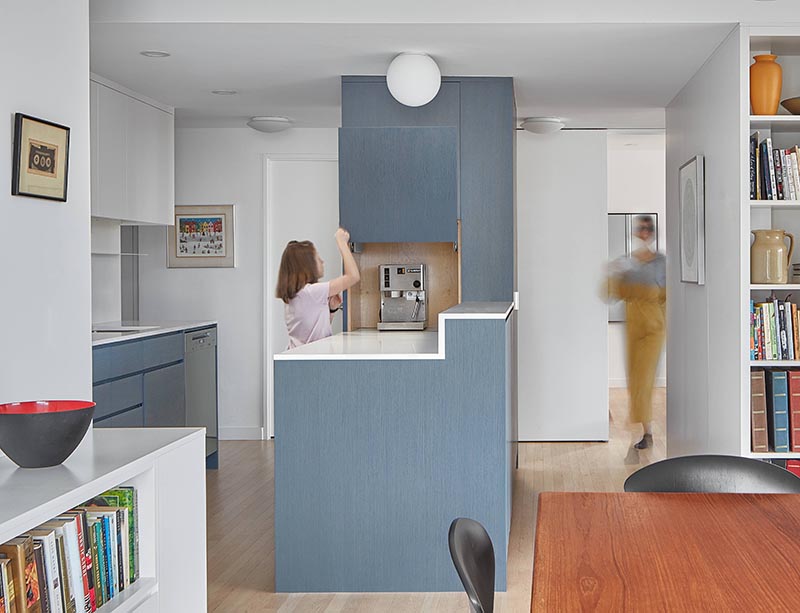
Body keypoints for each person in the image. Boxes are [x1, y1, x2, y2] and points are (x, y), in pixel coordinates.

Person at [607, 215, 666, 450]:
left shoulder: (661, 262)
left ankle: (646, 431)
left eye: (647, 227)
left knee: (644, 378)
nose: (643, 231)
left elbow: (668, 295)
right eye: (640, 227)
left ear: (652, 232)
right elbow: (612, 292)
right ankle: (643, 428)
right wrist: (614, 272)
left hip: (654, 327)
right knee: (634, 378)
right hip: (633, 326)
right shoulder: (628, 263)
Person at [276, 227, 360, 349]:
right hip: (309, 358)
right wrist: (342, 242)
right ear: (308, 265)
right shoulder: (311, 292)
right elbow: (353, 276)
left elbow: (316, 332)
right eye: (317, 258)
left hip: (296, 357)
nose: (322, 261)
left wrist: (331, 310)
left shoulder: (298, 295)